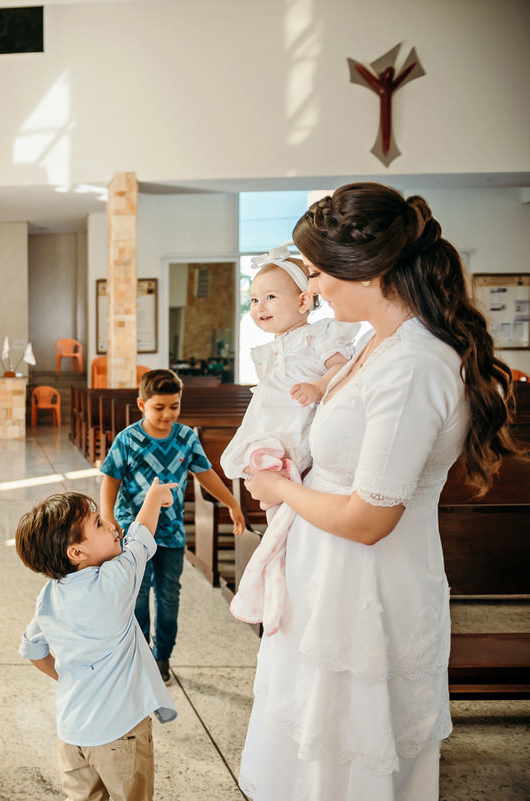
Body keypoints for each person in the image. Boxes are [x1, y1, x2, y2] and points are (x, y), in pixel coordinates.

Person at [238, 183, 521, 800]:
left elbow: (370, 519)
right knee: (308, 739)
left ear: (367, 270)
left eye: (317, 272)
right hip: (328, 573)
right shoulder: (377, 341)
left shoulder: (413, 364)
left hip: (367, 583)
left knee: (347, 751)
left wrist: (280, 487)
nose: (313, 288)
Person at [221, 245, 360, 634]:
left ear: (302, 301)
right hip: (271, 432)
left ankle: (274, 581)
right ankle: (275, 583)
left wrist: (317, 387)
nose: (259, 306)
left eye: (270, 297)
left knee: (287, 519)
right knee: (275, 511)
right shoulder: (273, 346)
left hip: (298, 433)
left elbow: (342, 368)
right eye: (254, 300)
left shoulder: (319, 335)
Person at [16, 482, 179, 801]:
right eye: (99, 523)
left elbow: (32, 648)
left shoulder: (49, 596)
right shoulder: (115, 581)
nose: (111, 524)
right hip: (120, 731)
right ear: (76, 552)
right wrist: (154, 496)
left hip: (71, 732)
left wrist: (64, 676)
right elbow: (141, 537)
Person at [100, 369, 245, 682]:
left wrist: (232, 503)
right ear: (142, 404)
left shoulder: (185, 437)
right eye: (159, 407)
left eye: (174, 406)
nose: (167, 414)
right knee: (137, 596)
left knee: (168, 598)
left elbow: (205, 474)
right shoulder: (128, 439)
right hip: (133, 533)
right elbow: (110, 479)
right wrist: (108, 518)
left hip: (171, 533)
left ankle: (162, 656)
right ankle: (137, 656)